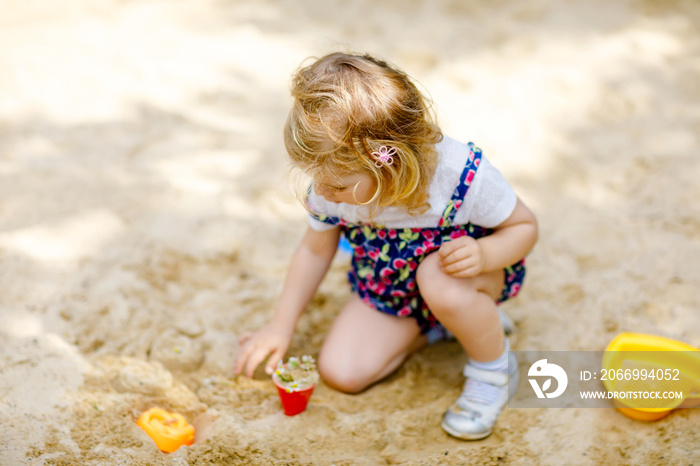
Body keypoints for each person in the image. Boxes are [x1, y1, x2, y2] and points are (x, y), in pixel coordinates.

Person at [234, 52, 538, 440]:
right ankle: (443, 329)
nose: (324, 192)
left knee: (439, 278)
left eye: (339, 186)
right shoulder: (333, 183)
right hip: (393, 294)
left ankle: (492, 371)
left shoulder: (459, 174)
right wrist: (280, 326)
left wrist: (484, 255)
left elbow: (525, 226)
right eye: (317, 179)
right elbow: (315, 250)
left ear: (389, 165)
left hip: (466, 278)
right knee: (343, 374)